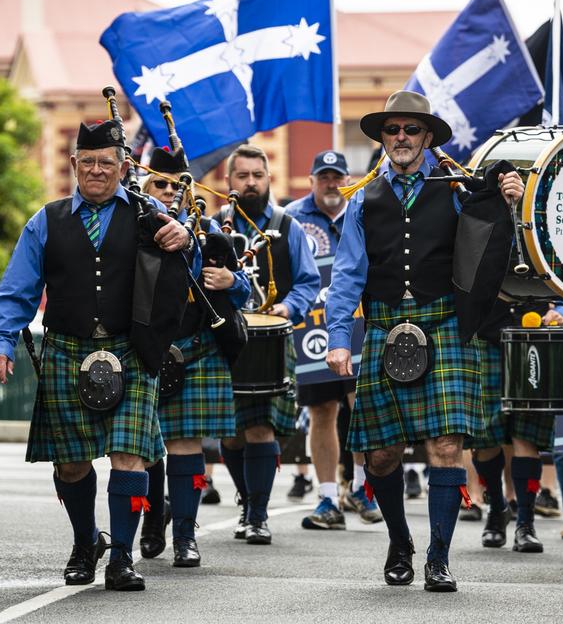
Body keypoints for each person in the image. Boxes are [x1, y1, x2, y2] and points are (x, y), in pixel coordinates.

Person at [325, 90, 525, 592]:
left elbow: (497, 244)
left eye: (410, 130)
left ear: (427, 137)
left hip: (445, 328)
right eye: (392, 130)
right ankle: (399, 542)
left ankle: (438, 554)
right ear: (382, 138)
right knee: (382, 454)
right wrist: (339, 338)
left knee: (445, 445)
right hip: (387, 329)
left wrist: (508, 203)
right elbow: (348, 274)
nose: (401, 138)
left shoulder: (458, 189)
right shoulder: (363, 200)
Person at [0, 120, 193, 590]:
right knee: (71, 463)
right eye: (88, 162)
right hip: (67, 348)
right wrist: (0, 343)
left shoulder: (148, 211)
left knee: (129, 455)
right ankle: (86, 541)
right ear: (74, 164)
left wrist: (186, 237)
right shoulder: (46, 220)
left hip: (131, 348)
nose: (97, 170)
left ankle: (122, 556)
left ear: (123, 166)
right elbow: (16, 292)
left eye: (107, 162)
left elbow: (189, 261)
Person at [137, 148, 251, 567]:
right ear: (145, 187)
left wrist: (230, 279)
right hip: (147, 349)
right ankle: (152, 519)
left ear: (188, 193)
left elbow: (243, 295)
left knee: (186, 446)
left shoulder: (212, 239)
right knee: (145, 446)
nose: (169, 192)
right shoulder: (132, 235)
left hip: (198, 348)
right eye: (160, 184)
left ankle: (185, 536)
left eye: (176, 186)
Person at [218, 145, 320, 546]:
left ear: (268, 179)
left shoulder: (287, 225)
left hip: (272, 339)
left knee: (262, 429)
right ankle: (246, 500)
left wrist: (287, 307)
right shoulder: (213, 226)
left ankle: (258, 515)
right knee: (229, 432)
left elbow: (310, 281)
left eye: (257, 175)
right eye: (242, 176)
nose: (250, 183)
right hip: (226, 338)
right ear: (229, 181)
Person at [284, 151, 381, 530]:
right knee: (322, 411)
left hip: (359, 324)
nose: (331, 183)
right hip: (311, 329)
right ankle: (327, 497)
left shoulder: (363, 208)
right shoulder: (292, 217)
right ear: (311, 180)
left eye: (337, 175)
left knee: (362, 407)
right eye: (323, 176)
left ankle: (359, 487)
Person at [469, 300, 555, 554]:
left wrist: (561, 311)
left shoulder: (545, 256)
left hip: (532, 340)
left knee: (525, 437)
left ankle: (526, 524)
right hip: (485, 338)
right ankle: (497, 508)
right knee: (485, 439)